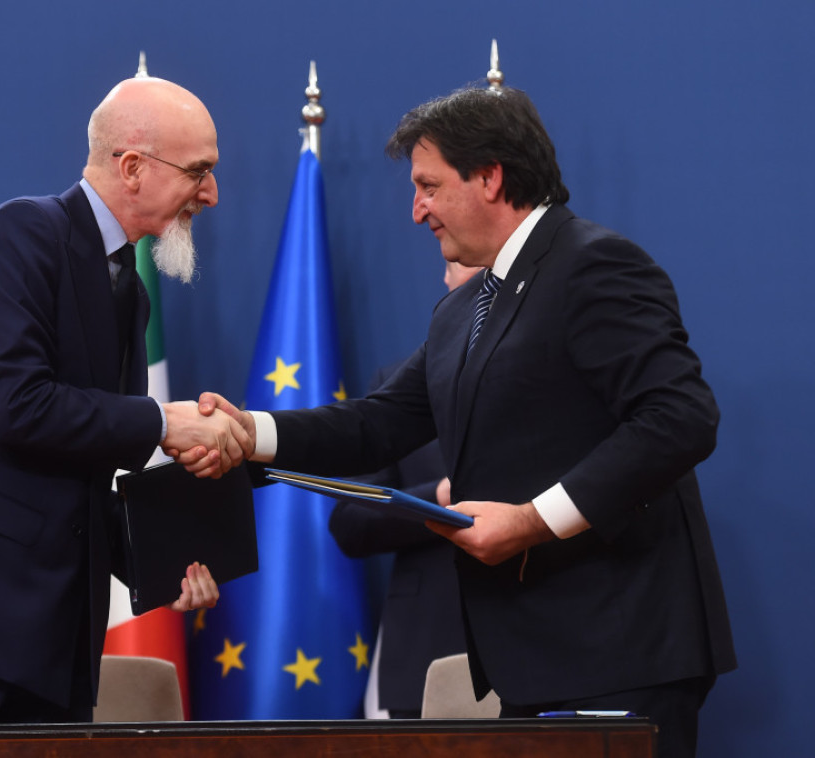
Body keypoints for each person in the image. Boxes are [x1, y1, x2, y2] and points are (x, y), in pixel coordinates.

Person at [192, 85, 736, 758]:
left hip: (623, 649)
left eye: (429, 186)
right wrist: (253, 434)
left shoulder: (593, 265)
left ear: (490, 177)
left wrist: (533, 521)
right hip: (529, 657)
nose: (416, 210)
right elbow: (379, 424)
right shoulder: (462, 309)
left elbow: (680, 417)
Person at [0, 76, 253, 726]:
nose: (212, 193)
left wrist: (163, 564)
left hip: (51, 644)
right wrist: (162, 422)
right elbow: (16, 406)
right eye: (199, 171)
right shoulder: (22, 233)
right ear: (133, 167)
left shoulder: (129, 291)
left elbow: (81, 473)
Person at [328, 261, 481, 719]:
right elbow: (351, 521)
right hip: (427, 657)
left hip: (544, 651)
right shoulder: (402, 387)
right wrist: (439, 499)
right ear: (447, 280)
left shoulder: (554, 380)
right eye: (459, 263)